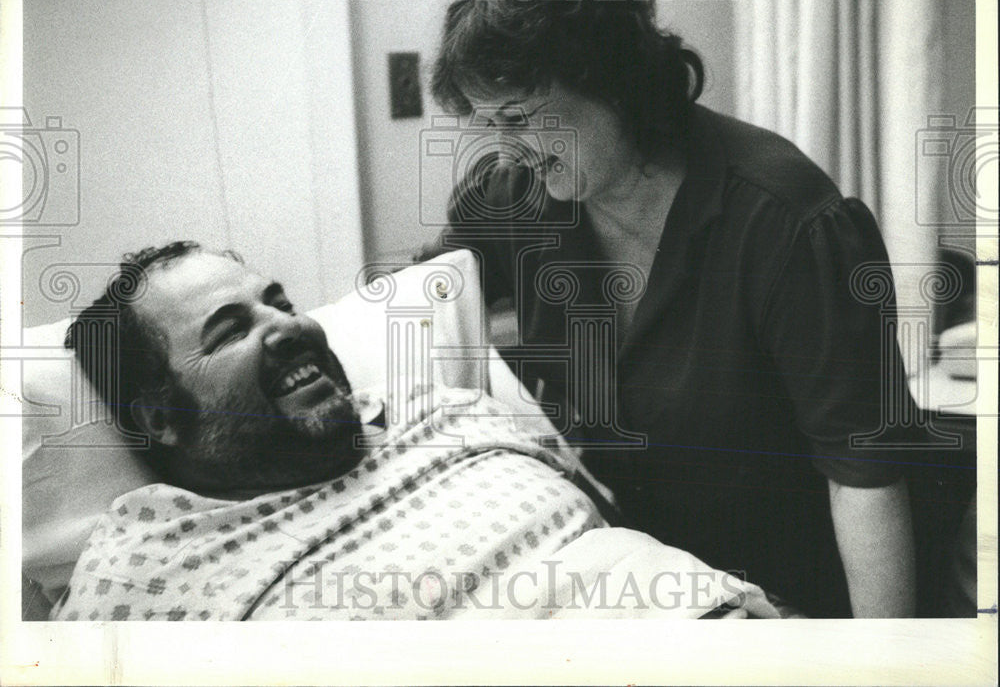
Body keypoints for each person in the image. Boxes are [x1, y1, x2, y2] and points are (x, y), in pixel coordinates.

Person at [421, 0, 917, 618]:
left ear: (611, 82)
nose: (503, 147)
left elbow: (864, 476)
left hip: (779, 601)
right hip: (622, 584)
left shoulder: (787, 223)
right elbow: (418, 310)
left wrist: (881, 664)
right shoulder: (515, 195)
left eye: (519, 120)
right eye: (487, 123)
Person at [51, 241, 780, 621]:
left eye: (279, 303)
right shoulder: (143, 572)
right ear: (157, 416)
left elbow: (625, 529)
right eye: (230, 330)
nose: (294, 327)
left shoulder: (442, 414)